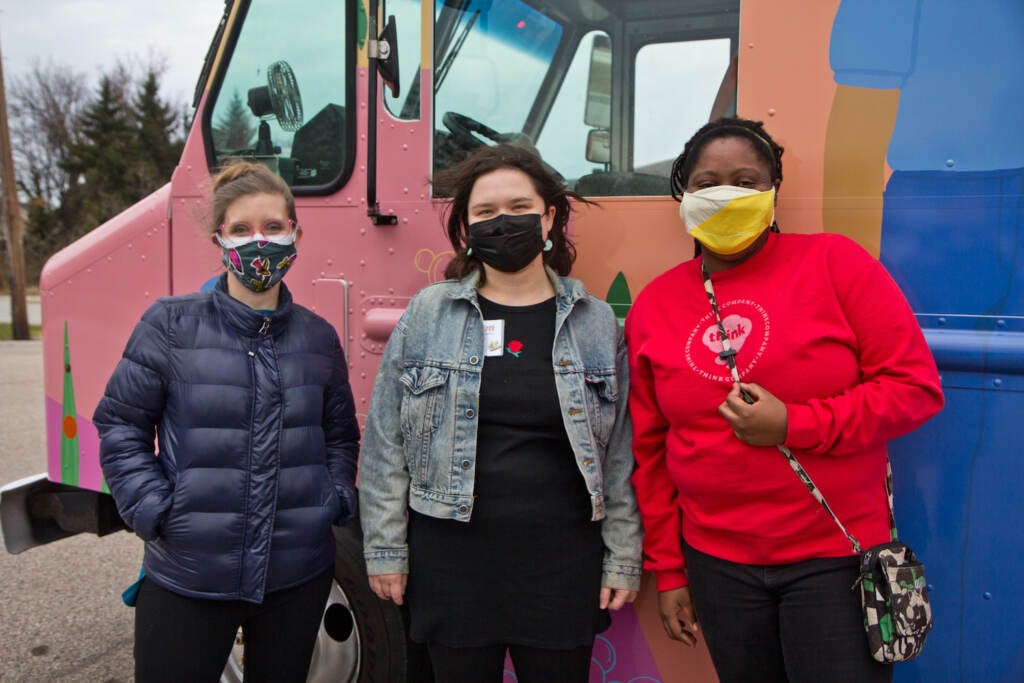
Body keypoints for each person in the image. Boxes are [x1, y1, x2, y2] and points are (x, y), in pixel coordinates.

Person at [625, 116, 944, 682]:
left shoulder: (835, 264)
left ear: (774, 192)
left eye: (746, 181)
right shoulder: (654, 304)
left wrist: (795, 424)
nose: (726, 193)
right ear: (682, 194)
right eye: (707, 182)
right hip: (717, 566)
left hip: (833, 560)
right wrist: (670, 571)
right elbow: (649, 452)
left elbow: (915, 389)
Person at [358, 144, 643, 683]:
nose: (503, 223)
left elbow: (619, 453)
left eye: (519, 207)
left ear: (550, 216)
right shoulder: (429, 312)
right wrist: (386, 549)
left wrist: (622, 553)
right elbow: (385, 444)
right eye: (485, 213)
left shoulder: (596, 321)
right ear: (465, 227)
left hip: (561, 564)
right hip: (452, 563)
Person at [93, 160, 359, 683]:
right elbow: (121, 425)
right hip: (189, 577)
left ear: (296, 233)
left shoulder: (318, 337)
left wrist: (333, 497)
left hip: (298, 576)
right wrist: (153, 509)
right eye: (241, 230)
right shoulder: (169, 324)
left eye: (273, 227)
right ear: (220, 240)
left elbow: (340, 435)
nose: (259, 241)